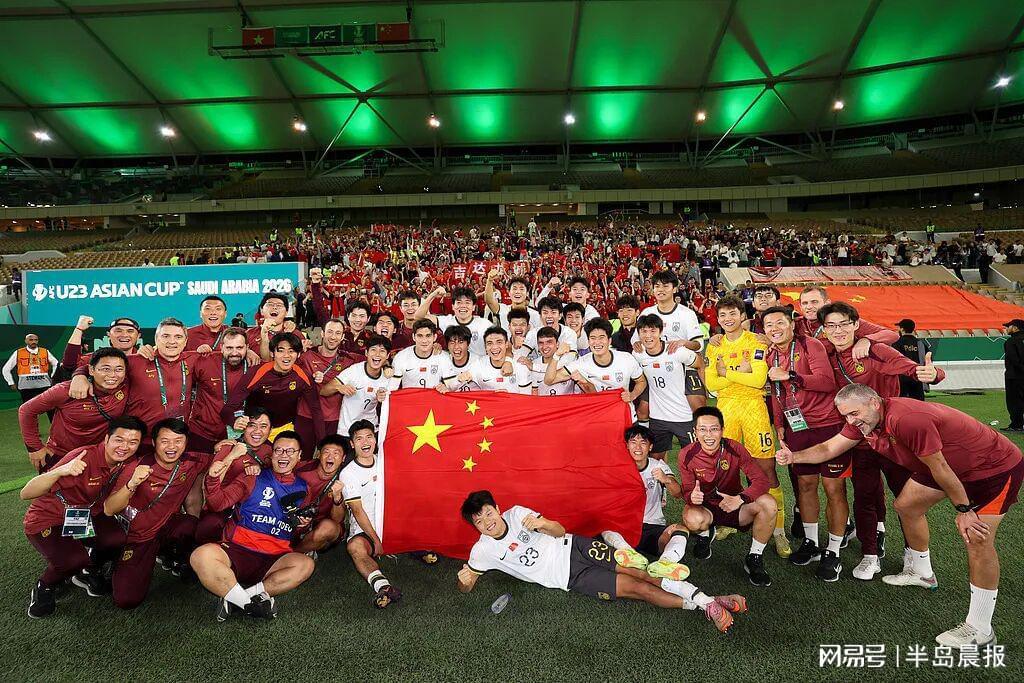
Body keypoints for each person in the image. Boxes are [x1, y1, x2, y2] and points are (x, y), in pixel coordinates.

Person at [777, 383, 1023, 648]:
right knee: (907, 506)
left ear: (874, 402)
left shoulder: (906, 419)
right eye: (845, 416)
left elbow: (940, 466)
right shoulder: (865, 421)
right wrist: (794, 456)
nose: (851, 421)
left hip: (992, 469)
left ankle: (980, 628)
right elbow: (828, 449)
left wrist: (964, 510)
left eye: (854, 413)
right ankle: (922, 573)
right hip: (946, 467)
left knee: (977, 539)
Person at [457, 490, 747, 634]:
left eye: (488, 513)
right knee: (639, 590)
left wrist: (542, 524)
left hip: (576, 546)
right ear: (475, 526)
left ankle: (707, 603)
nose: (487, 522)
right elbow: (466, 586)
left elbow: (559, 530)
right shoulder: (483, 550)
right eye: (479, 521)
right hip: (569, 578)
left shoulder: (518, 513)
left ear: (497, 508)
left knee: (642, 572)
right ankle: (707, 603)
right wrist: (465, 581)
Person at [21, 416, 147, 618]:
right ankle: (45, 585)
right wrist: (60, 471)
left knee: (117, 538)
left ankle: (88, 570)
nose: (125, 447)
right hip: (48, 518)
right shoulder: (83, 456)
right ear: (106, 439)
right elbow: (26, 493)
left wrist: (132, 483)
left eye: (133, 442)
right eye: (119, 440)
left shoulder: (129, 463)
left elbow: (110, 507)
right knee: (73, 560)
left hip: (84, 515)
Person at [190, 431, 315, 621]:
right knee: (200, 555)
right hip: (239, 549)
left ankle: (237, 598)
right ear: (271, 454)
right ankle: (251, 604)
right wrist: (213, 479)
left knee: (306, 565)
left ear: (299, 456)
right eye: (279, 450)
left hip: (275, 557)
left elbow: (296, 529)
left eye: (290, 451)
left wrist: (303, 524)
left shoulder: (304, 488)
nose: (284, 455)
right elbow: (218, 503)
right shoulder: (252, 476)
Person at [762, 306, 846, 580]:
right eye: (768, 325)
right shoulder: (771, 355)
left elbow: (827, 382)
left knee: (833, 488)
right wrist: (779, 425)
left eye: (779, 323)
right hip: (796, 427)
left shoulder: (811, 345)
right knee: (805, 485)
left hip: (826, 425)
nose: (774, 329)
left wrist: (791, 375)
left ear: (791, 324)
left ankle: (834, 550)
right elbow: (776, 394)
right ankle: (811, 542)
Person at [704, 295, 790, 557]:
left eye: (733, 313)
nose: (728, 319)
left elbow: (758, 380)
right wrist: (741, 373)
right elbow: (712, 385)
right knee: (726, 469)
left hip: (754, 408)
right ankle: (731, 521)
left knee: (765, 470)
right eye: (722, 315)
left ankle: (779, 530)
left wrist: (726, 373)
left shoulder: (756, 341)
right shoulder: (714, 346)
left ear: (743, 316)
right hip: (726, 409)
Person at [105, 418, 211, 609]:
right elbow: (109, 508)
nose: (172, 447)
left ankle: (173, 556)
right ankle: (115, 559)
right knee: (127, 599)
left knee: (192, 525)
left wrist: (227, 449)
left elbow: (215, 457)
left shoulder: (192, 461)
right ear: (154, 443)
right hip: (137, 537)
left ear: (186, 443)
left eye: (178, 441)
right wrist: (132, 484)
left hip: (166, 527)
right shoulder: (136, 467)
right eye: (165, 441)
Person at [677, 407, 777, 587]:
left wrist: (740, 498)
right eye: (702, 429)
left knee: (769, 503)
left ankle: (754, 557)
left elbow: (761, 481)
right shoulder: (686, 454)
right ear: (695, 432)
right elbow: (687, 491)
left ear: (722, 430)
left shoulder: (734, 448)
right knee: (692, 519)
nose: (709, 435)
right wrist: (692, 497)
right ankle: (705, 534)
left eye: (714, 429)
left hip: (735, 507)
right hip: (706, 509)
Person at [598, 425, 690, 581]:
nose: (638, 447)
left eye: (643, 442)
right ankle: (628, 552)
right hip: (624, 526)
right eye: (633, 442)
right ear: (627, 446)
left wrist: (666, 479)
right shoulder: (617, 467)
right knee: (603, 524)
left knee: (681, 529)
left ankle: (665, 563)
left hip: (652, 526)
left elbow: (677, 493)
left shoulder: (658, 466)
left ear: (650, 447)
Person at [19, 348, 130, 472]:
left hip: (98, 457)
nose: (113, 375)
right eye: (105, 369)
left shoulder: (125, 386)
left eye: (119, 369)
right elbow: (27, 410)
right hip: (61, 457)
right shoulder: (66, 390)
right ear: (91, 370)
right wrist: (34, 448)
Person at [340, 421, 403, 608]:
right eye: (359, 439)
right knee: (355, 547)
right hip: (366, 528)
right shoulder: (348, 473)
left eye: (369, 437)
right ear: (352, 444)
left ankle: (420, 549)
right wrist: (376, 540)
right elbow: (357, 510)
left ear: (375, 439)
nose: (365, 442)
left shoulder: (385, 461)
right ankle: (383, 587)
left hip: (391, 521)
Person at [221, 331, 325, 444]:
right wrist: (234, 420)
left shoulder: (303, 376)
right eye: (281, 350)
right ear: (272, 353)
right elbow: (227, 409)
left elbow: (316, 410)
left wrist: (323, 443)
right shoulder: (256, 373)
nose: (286, 355)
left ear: (299, 354)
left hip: (283, 429)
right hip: (256, 430)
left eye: (291, 351)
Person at [195, 407, 272, 545]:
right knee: (211, 524)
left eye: (263, 426)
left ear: (270, 430)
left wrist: (261, 469)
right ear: (243, 427)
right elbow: (212, 483)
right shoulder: (228, 447)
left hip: (252, 508)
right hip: (222, 506)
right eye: (252, 425)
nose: (257, 431)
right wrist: (232, 456)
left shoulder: (271, 451)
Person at [545, 318, 646, 417]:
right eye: (593, 338)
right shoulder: (581, 363)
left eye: (601, 337)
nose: (597, 342)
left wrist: (632, 395)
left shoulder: (626, 359)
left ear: (609, 340)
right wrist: (557, 355)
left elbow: (641, 381)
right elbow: (549, 380)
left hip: (624, 416)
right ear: (588, 341)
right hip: (598, 417)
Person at [632, 314, 698, 459]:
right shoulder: (638, 354)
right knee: (656, 458)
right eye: (644, 331)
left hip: (684, 415)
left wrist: (700, 394)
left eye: (653, 331)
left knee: (695, 459)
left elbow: (700, 364)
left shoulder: (677, 351)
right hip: (658, 418)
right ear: (639, 334)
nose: (648, 335)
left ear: (661, 332)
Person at [296, 318, 356, 458]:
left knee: (329, 458)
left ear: (342, 337)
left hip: (333, 419)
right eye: (330, 332)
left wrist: (387, 368)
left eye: (337, 333)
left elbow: (373, 361)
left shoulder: (348, 360)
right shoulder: (306, 356)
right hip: (306, 416)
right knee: (302, 458)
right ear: (322, 333)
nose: (333, 337)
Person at [188, 328, 251, 454]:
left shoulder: (254, 366)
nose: (234, 353)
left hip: (237, 434)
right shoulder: (205, 361)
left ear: (247, 347)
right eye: (229, 348)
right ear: (221, 347)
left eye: (239, 347)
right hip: (201, 433)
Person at [292, 435, 348, 555]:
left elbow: (337, 520)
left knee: (328, 528)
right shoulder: (302, 469)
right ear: (319, 454)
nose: (330, 457)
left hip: (322, 524)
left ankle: (292, 555)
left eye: (336, 453)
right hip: (298, 518)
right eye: (326, 452)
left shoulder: (345, 479)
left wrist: (337, 497)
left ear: (343, 458)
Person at [328, 335, 392, 434]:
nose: (377, 354)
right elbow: (324, 390)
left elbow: (392, 405)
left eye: (382, 351)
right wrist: (339, 387)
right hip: (347, 430)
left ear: (388, 355)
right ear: (366, 352)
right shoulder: (354, 371)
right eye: (373, 350)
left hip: (371, 429)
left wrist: (383, 399)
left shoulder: (388, 376)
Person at [415, 286, 492, 357]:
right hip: (454, 365)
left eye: (467, 302)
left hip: (478, 366)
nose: (463, 306)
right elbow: (418, 317)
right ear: (453, 306)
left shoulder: (485, 324)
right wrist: (433, 294)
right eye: (459, 302)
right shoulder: (446, 321)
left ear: (473, 307)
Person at [457, 327, 531, 394]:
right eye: (489, 343)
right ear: (485, 347)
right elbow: (454, 385)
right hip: (489, 404)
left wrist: (509, 395)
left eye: (499, 342)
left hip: (512, 404)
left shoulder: (520, 366)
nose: (494, 347)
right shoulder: (479, 364)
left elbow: (527, 398)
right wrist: (460, 378)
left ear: (506, 344)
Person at [61, 316, 141, 372]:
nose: (124, 335)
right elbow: (70, 365)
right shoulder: (96, 358)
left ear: (138, 336)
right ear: (108, 335)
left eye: (130, 331)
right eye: (118, 331)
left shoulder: (145, 359)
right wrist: (79, 329)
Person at [389, 319, 448, 391]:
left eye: (428, 336)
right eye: (420, 336)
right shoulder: (401, 357)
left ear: (435, 337)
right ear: (413, 337)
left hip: (434, 398)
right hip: (410, 398)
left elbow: (453, 387)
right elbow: (392, 388)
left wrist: (447, 388)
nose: (424, 340)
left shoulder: (443, 357)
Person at [4, 333, 58, 409]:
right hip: (26, 387)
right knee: (28, 410)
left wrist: (53, 376)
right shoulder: (18, 352)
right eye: (31, 340)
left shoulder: (45, 351)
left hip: (44, 386)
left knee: (50, 409)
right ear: (26, 341)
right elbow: (6, 369)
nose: (34, 342)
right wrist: (10, 382)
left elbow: (56, 364)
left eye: (36, 340)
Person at [893, 319, 933, 401]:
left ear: (902, 329)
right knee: (919, 404)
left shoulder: (896, 344)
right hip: (918, 378)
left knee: (902, 404)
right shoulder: (921, 344)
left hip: (901, 380)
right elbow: (929, 359)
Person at [1002, 318, 1024, 432]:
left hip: (1014, 376)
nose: (1006, 328)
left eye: (1008, 326)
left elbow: (1014, 360)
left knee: (1014, 401)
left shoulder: (1011, 342)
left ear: (1015, 328)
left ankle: (1017, 424)